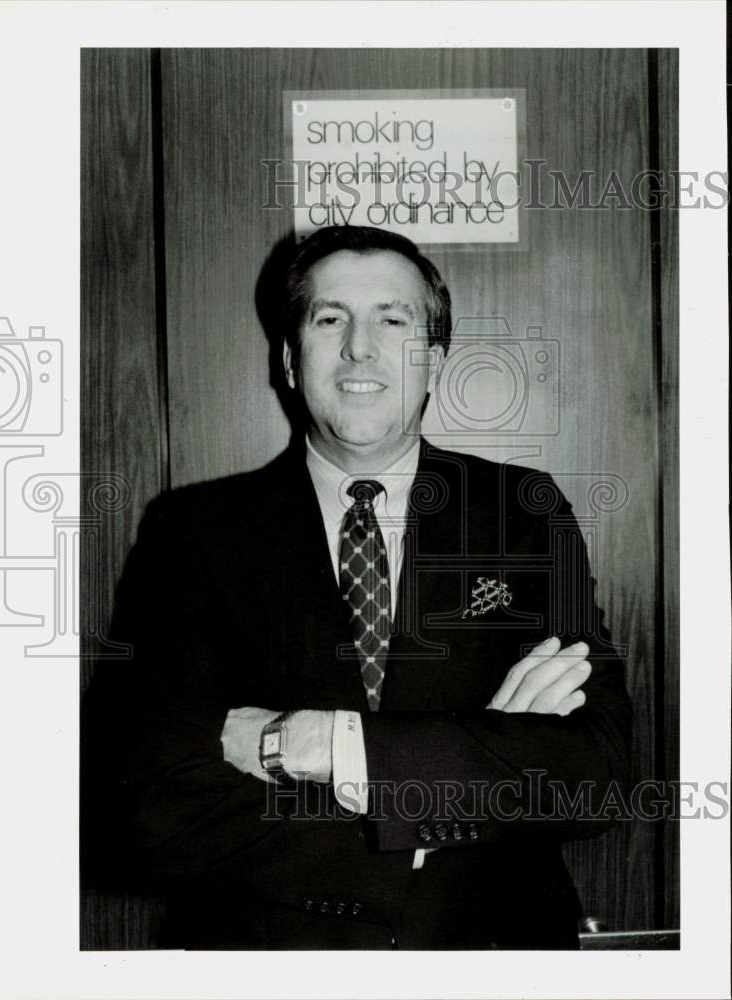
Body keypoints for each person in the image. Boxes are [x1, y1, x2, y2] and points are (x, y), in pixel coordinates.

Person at [108, 225, 632, 950]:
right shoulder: (192, 531)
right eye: (329, 319)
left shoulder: (521, 512)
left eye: (393, 319)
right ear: (290, 360)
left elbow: (594, 767)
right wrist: (450, 793)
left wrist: (317, 743)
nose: (360, 347)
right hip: (264, 960)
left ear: (433, 361)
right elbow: (145, 800)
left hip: (492, 948)